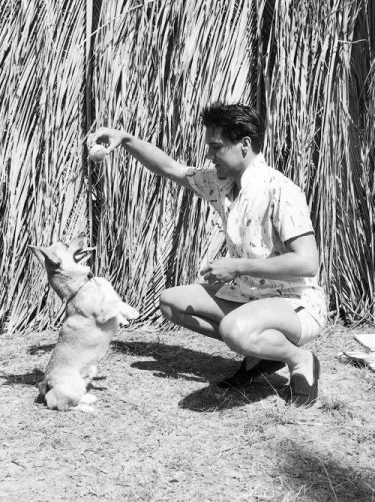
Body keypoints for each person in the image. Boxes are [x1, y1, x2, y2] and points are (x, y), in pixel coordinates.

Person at [91, 103, 327, 407]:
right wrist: (125, 139)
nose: (209, 155)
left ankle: (299, 358)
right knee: (171, 303)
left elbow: (308, 263)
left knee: (233, 330)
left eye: (216, 146)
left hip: (297, 304)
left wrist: (238, 266)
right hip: (250, 298)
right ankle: (261, 353)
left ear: (244, 145)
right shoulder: (222, 182)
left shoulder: (280, 190)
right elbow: (170, 168)